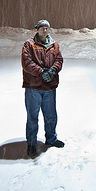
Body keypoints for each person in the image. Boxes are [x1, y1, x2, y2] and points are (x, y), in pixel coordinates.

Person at [21, 19, 64, 157]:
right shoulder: (29, 44)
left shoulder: (54, 45)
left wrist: (52, 71)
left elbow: (59, 60)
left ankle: (51, 139)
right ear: (37, 29)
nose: (44, 30)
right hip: (33, 87)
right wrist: (40, 72)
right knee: (32, 117)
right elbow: (26, 62)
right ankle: (32, 143)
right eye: (42, 28)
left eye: (46, 28)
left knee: (51, 115)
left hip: (49, 87)